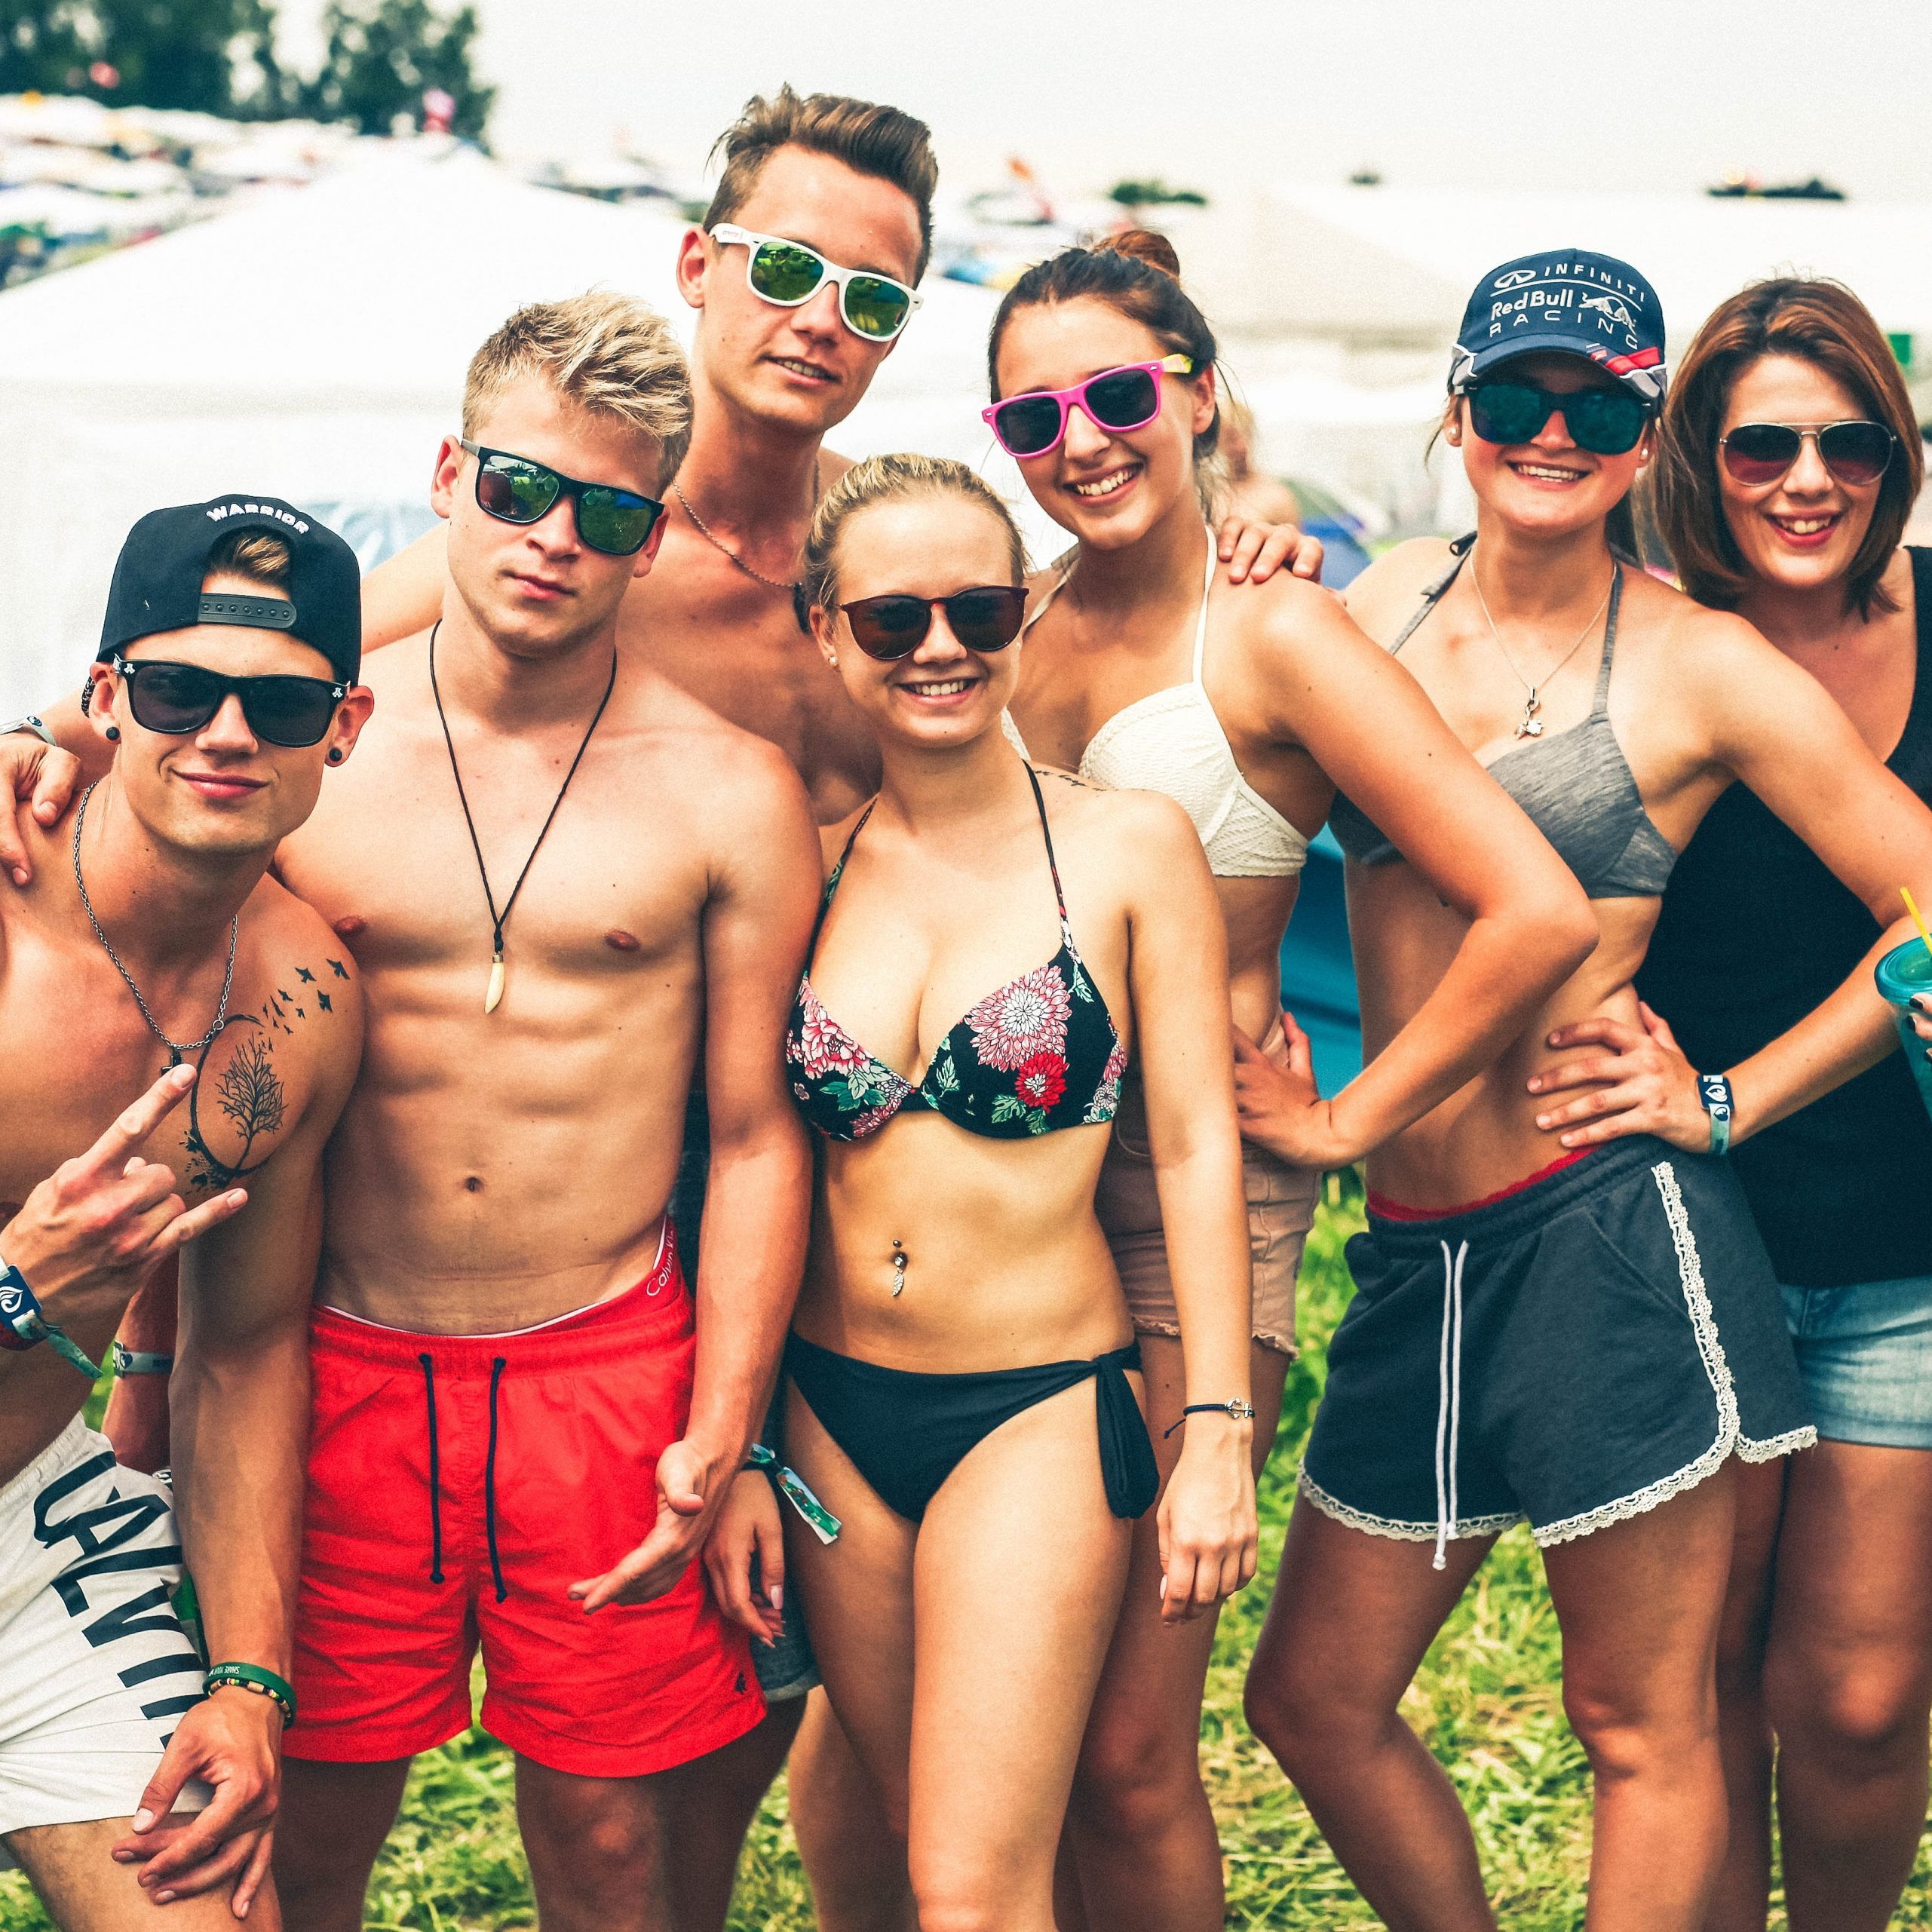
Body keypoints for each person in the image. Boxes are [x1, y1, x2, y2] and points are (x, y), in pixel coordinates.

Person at [339, 88, 1308, 1932]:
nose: (819, 318)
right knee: (713, 1746)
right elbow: (318, 652)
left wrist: (1240, 545)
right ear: (701, 264)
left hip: (1001, 1221)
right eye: (786, 268)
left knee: (1028, 1788)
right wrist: (61, 737)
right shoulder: (593, 532)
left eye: (872, 296)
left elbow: (1122, 614)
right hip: (681, 1218)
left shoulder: (918, 571)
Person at [2, 293, 822, 1932]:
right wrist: (35, 739)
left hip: (601, 1354)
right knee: (299, 1832)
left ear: (649, 538)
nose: (550, 539)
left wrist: (727, 1426)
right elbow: (172, 959)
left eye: (605, 511)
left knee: (608, 1841)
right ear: (451, 474)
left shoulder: (723, 784)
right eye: (519, 488)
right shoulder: (299, 752)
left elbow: (751, 1135)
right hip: (343, 1349)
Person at [1238, 248, 1932, 1932]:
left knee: (1689, 1715)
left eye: (1599, 405)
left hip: (1622, 1218)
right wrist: (1232, 524)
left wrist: (1726, 1100)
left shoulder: (1701, 663)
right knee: (1313, 1700)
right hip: (1421, 1252)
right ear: (1458, 410)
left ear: (1640, 438)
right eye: (1517, 397)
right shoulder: (1375, 594)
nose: (1553, 433)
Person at [983, 231, 1599, 1932]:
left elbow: (1529, 903)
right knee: (1012, 1734)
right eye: (1035, 420)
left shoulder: (1277, 631)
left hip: (1192, 1212)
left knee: (1124, 1752)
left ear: (1194, 393)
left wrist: (1342, 1119)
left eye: (1117, 394)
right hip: (993, 1211)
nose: (1083, 441)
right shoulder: (1004, 626)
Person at [740, 447, 1250, 1932]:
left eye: (977, 609)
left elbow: (1196, 1146)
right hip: (832, 1418)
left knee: (973, 1891)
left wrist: (1213, 1425)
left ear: (1026, 613)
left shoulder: (1126, 847)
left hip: (1034, 1410)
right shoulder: (809, 862)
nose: (943, 647)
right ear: (827, 632)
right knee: (911, 1855)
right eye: (895, 621)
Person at [0, 498, 371, 1927]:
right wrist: (19, 1291)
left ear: (341, 726)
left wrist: (248, 1681)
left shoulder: (304, 1003)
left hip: (35, 1531)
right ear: (105, 699)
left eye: (278, 702)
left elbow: (247, 1346)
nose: (227, 732)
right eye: (176, 689)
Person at [1633, 278, 1932, 1932]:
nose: (1808, 478)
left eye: (1850, 443)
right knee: (1701, 1688)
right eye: (1762, 445)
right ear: (1701, 457)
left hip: (1905, 1245)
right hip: (1689, 1244)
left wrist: (1741, 1092)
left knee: (1863, 1701)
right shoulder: (1646, 648)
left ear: (1896, 456)